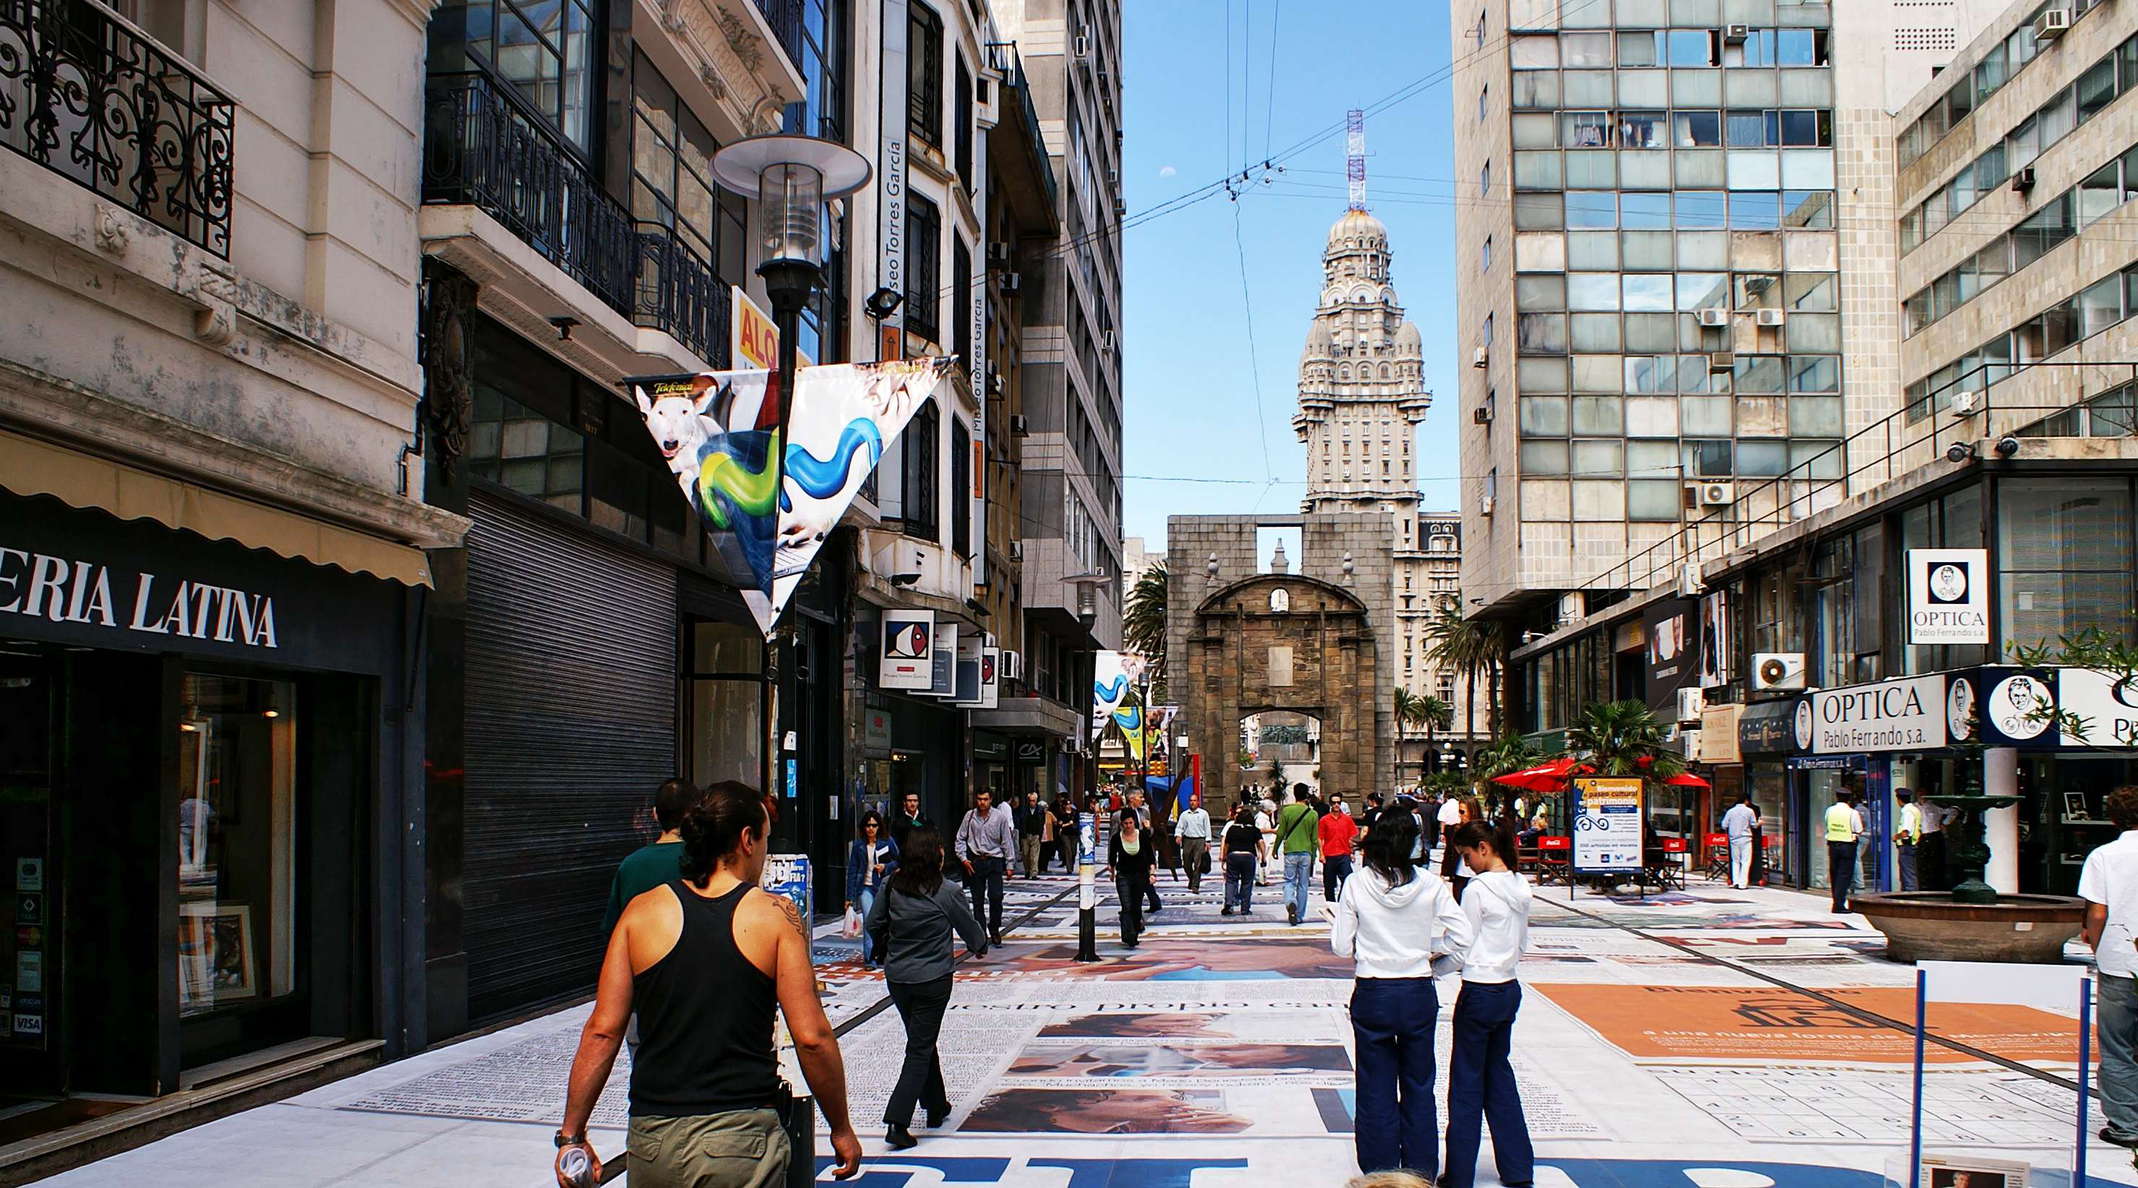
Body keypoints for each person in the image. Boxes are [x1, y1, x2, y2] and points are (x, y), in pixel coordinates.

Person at [554, 782, 862, 1187]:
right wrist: (840, 1126)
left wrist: (571, 1135)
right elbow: (811, 1037)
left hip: (653, 1143)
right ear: (747, 840)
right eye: (766, 839)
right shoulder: (773, 916)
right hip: (741, 1140)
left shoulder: (641, 913)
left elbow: (602, 1030)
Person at [1330, 807, 1472, 1177]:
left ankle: (1379, 1169)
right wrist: (1435, 963)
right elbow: (1464, 938)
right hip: (1416, 989)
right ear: (1412, 842)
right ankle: (1420, 1168)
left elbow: (1341, 947)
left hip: (1374, 990)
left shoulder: (1357, 883)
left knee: (1374, 1085)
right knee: (1419, 1084)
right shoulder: (1428, 884)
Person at [864, 828, 989, 1150]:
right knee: (920, 1047)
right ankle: (897, 1120)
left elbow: (873, 923)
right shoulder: (946, 891)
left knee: (922, 1039)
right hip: (932, 980)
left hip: (898, 979)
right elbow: (972, 934)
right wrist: (980, 944)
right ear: (934, 855)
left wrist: (889, 942)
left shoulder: (892, 885)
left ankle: (936, 1105)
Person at [1442, 820, 1536, 1188]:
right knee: (1499, 1078)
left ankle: (1460, 1175)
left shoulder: (1478, 890)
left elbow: (1462, 944)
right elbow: (1523, 941)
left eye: (1466, 856)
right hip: (1508, 986)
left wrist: (1436, 967)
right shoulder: (1519, 883)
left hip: (1479, 989)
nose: (1466, 865)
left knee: (1466, 1084)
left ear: (1483, 847)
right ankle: (1517, 1168)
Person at [2082, 785, 2138, 1149]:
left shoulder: (2105, 855)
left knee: (2118, 1045)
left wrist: (2098, 946)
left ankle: (2127, 1125)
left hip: (2120, 958)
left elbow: (2097, 912)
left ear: (2114, 817)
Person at [602, 778, 700, 936]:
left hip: (640, 957)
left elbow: (613, 928)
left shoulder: (630, 864)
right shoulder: (705, 859)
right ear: (694, 814)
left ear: (655, 814)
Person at [954, 788, 1015, 944]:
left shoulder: (999, 817)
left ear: (991, 800)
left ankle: (994, 927)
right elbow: (960, 838)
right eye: (980, 799)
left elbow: (1006, 841)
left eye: (985, 799)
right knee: (977, 899)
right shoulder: (970, 816)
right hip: (975, 861)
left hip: (994, 860)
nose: (982, 802)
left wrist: (1010, 863)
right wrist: (963, 859)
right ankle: (981, 932)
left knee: (996, 896)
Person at [845, 811, 900, 967]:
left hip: (883, 887)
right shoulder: (858, 846)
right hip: (865, 888)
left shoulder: (887, 842)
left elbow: (899, 861)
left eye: (874, 825)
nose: (870, 828)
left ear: (879, 826)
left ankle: (885, 954)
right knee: (870, 921)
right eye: (868, 825)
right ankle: (870, 958)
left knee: (886, 921)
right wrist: (849, 897)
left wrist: (886, 866)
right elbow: (852, 870)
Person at [1106, 812, 1158, 948]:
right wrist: (1111, 872)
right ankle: (1129, 935)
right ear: (1121, 824)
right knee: (1126, 905)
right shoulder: (1117, 838)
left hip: (1140, 875)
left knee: (1136, 907)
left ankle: (1133, 930)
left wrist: (1152, 873)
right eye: (1125, 823)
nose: (1128, 826)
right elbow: (1112, 857)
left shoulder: (1143, 836)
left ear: (1134, 823)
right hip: (1123, 875)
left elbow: (1150, 856)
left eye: (1130, 823)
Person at [1273, 785, 1321, 925]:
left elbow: (1281, 832)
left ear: (1294, 794)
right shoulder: (1313, 814)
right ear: (1306, 795)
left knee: (1289, 881)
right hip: (1306, 852)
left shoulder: (1287, 811)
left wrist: (1275, 849)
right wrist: (1313, 857)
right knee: (1303, 885)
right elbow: (1314, 838)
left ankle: (1290, 902)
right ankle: (1299, 915)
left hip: (1290, 851)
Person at [1116, 790, 1163, 914]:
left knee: (1143, 878)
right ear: (1131, 799)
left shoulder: (1144, 813)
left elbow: (1151, 834)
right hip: (1127, 856)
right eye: (1140, 797)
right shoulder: (1118, 815)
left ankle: (1143, 905)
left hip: (1143, 854)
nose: (1142, 799)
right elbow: (1113, 837)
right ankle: (1137, 906)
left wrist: (1148, 828)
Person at [1825, 789, 1865, 913]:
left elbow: (1827, 824)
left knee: (1835, 874)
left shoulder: (1829, 811)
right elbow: (1859, 830)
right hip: (1848, 846)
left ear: (1837, 797)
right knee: (1844, 875)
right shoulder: (1852, 813)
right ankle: (1839, 904)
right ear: (1849, 799)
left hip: (1832, 845)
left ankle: (1835, 901)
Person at [1222, 804, 1265, 916]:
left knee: (1231, 880)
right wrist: (1263, 857)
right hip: (1248, 856)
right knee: (1247, 882)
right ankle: (1245, 908)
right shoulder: (1254, 829)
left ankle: (1229, 903)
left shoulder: (1232, 828)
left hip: (1233, 855)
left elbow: (1226, 844)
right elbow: (1261, 843)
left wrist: (1223, 858)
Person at [1319, 795, 1359, 902]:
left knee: (1347, 880)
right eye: (1334, 802)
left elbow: (1351, 837)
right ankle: (1331, 904)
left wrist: (1352, 853)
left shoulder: (1347, 819)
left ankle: (1341, 901)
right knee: (1329, 884)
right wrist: (1321, 854)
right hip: (1329, 855)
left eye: (1338, 802)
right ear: (1330, 804)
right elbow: (1320, 837)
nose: (1336, 805)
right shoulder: (1324, 820)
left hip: (1344, 854)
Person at [1175, 793, 1214, 893]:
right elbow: (1180, 827)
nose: (1192, 803)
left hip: (1199, 840)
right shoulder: (1184, 814)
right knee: (1186, 863)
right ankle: (1192, 879)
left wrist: (1208, 841)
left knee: (1198, 864)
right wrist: (1178, 835)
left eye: (1194, 800)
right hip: (1188, 840)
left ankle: (1195, 885)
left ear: (1198, 802)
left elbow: (1207, 827)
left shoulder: (1203, 814)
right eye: (1191, 801)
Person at [1721, 793, 1758, 890]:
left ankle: (1735, 881)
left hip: (1734, 839)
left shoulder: (1730, 811)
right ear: (1746, 801)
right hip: (1746, 838)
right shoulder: (1749, 811)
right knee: (1745, 861)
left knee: (1735, 861)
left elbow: (1724, 825)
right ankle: (1743, 883)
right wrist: (1760, 823)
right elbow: (1754, 825)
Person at [1014, 789, 1048, 880]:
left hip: (1036, 834)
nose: (1032, 802)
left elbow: (1042, 821)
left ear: (1036, 801)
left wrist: (1040, 834)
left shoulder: (1040, 810)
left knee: (1034, 855)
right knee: (1025, 854)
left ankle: (1034, 873)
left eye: (1033, 800)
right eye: (1030, 800)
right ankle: (1027, 871)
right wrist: (1022, 833)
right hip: (1026, 834)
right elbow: (1022, 821)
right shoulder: (1024, 810)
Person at [1895, 790, 1923, 892]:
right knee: (1908, 873)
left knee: (1908, 875)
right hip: (1911, 845)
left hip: (1907, 846)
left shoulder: (1908, 812)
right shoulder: (1914, 810)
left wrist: (1895, 837)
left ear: (1899, 799)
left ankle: (1911, 897)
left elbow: (1906, 832)